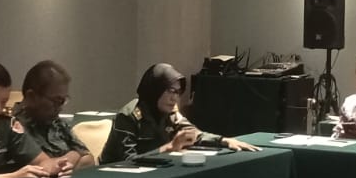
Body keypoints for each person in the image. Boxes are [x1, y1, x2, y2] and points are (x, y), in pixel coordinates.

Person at [102, 63, 260, 163]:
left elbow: (193, 135)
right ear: (155, 90)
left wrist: (223, 141)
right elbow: (127, 161)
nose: (174, 98)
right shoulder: (129, 116)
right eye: (170, 91)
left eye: (178, 92)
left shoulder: (170, 113)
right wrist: (169, 148)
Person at [12, 59, 95, 172]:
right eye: (56, 101)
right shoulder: (13, 128)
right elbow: (43, 170)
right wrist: (74, 156)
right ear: (31, 96)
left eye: (63, 101)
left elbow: (89, 160)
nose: (60, 108)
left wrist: (72, 156)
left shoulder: (56, 122)